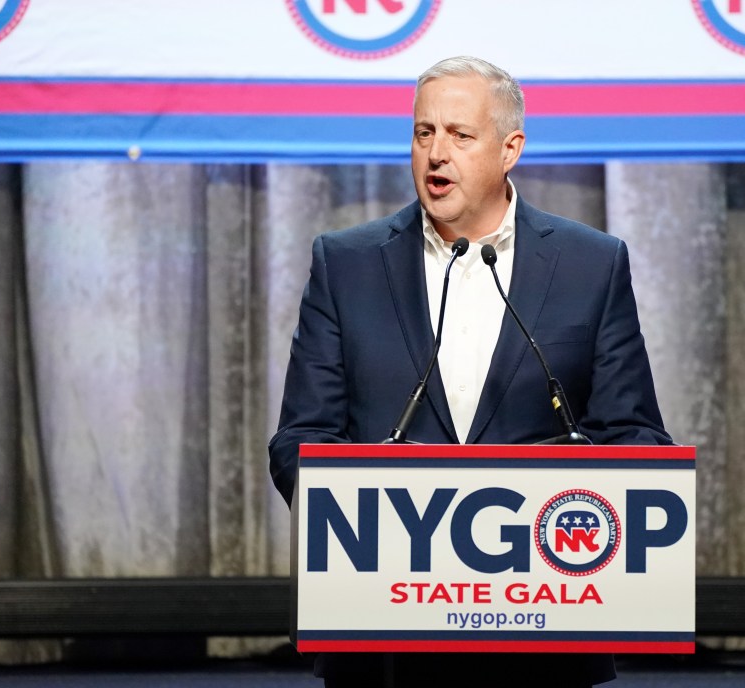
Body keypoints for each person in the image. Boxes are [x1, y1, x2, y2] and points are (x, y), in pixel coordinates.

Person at [269, 56, 672, 688]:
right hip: (384, 642)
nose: (435, 153)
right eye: (423, 132)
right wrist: (368, 514)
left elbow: (638, 436)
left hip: (544, 638)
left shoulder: (591, 264)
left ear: (511, 148)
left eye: (460, 135)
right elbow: (299, 440)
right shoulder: (344, 264)